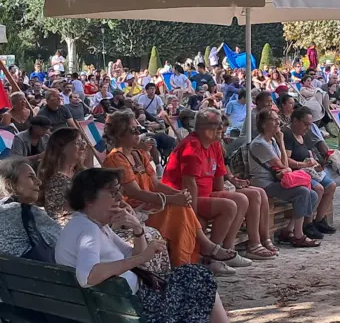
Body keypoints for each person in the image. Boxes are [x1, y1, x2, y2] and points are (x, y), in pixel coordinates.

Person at [55, 168, 230, 323]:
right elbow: (87, 277)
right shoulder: (88, 230)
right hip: (134, 307)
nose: (119, 198)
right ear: (89, 199)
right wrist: (141, 257)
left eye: (119, 192)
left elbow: (140, 262)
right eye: (113, 192)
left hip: (124, 302)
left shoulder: (94, 226)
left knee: (194, 276)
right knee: (198, 278)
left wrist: (137, 229)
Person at [101, 110, 238, 275]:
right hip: (133, 210)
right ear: (121, 134)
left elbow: (156, 184)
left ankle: (194, 259)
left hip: (150, 203)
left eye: (139, 129)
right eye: (134, 130)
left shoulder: (139, 154)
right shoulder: (116, 159)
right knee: (178, 208)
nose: (139, 134)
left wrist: (178, 195)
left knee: (182, 204)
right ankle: (198, 256)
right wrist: (171, 198)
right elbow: (135, 193)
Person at [162, 109, 275, 261]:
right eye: (217, 124)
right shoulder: (192, 146)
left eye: (221, 124)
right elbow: (189, 184)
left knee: (247, 197)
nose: (221, 128)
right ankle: (212, 254)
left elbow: (219, 177)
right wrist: (193, 215)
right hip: (183, 198)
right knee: (229, 206)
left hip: (204, 193)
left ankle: (229, 249)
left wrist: (230, 189)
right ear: (202, 128)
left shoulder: (214, 144)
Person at [249, 109, 320, 247]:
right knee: (303, 192)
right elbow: (284, 166)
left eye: (278, 119)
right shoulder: (260, 144)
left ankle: (288, 230)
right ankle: (298, 235)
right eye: (274, 120)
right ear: (264, 124)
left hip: (277, 180)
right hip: (264, 184)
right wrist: (281, 142)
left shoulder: (271, 141)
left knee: (313, 195)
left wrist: (279, 142)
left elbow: (284, 167)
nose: (278, 122)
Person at [283, 107, 335, 238]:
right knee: (318, 188)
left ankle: (320, 219)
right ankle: (308, 222)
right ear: (295, 121)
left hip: (308, 170)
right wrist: (303, 164)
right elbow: (286, 159)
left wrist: (315, 164)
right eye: (306, 124)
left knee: (331, 185)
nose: (308, 127)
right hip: (297, 172)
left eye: (310, 125)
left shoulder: (302, 135)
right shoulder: (288, 134)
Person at [0, 157, 61, 262]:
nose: (39, 182)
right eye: (31, 177)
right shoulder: (25, 211)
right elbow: (65, 241)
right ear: (10, 184)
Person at [39, 127, 87, 225]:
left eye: (83, 143)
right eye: (78, 143)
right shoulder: (56, 182)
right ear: (62, 148)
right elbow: (61, 220)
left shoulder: (80, 173)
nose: (83, 147)